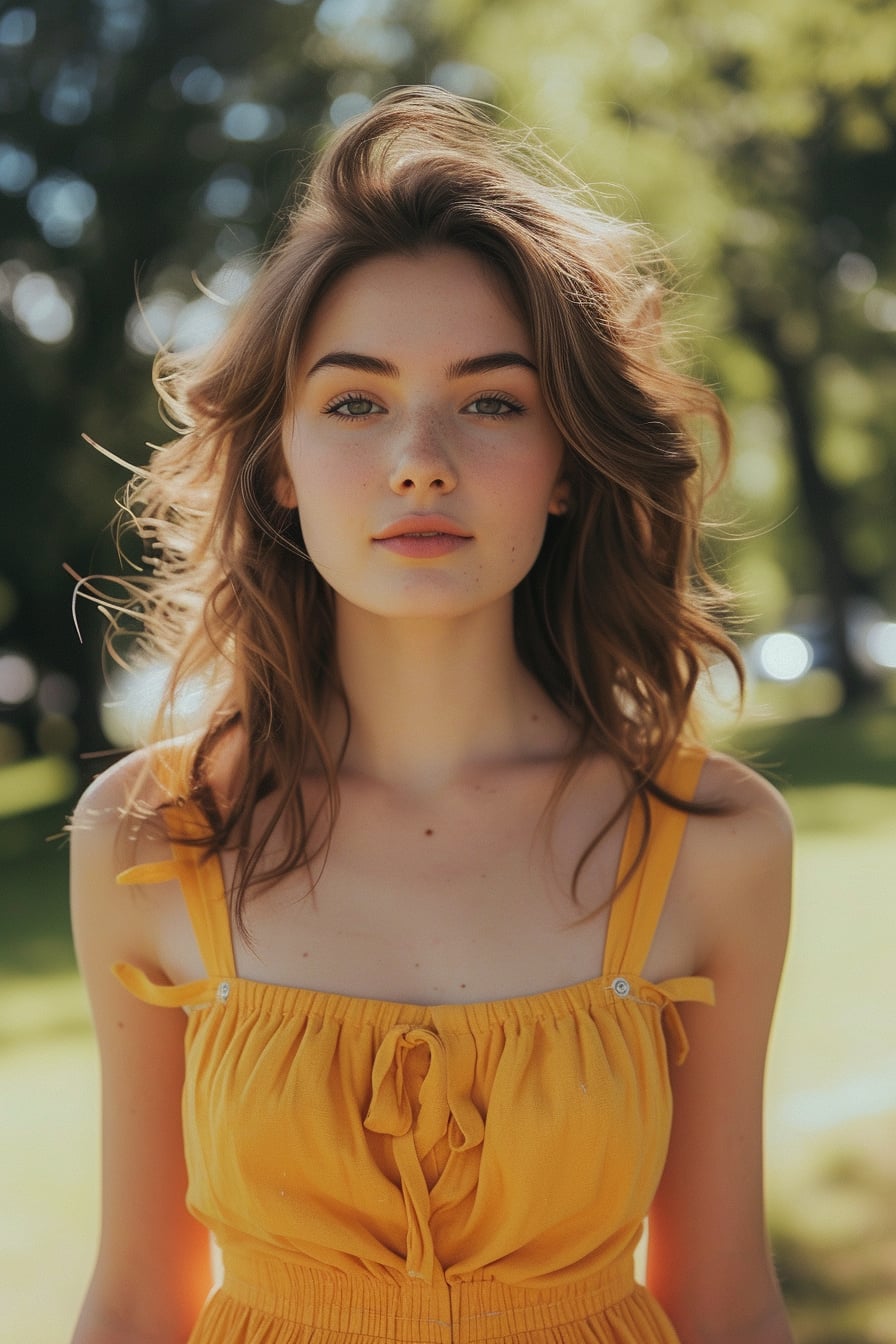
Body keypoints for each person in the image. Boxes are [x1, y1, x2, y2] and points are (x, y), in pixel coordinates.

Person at [70, 86, 794, 1344]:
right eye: (353, 402)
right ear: (280, 464)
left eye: (492, 399)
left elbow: (724, 1297)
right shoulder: (149, 832)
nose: (419, 456)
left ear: (565, 460)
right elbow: (138, 1300)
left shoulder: (715, 840)